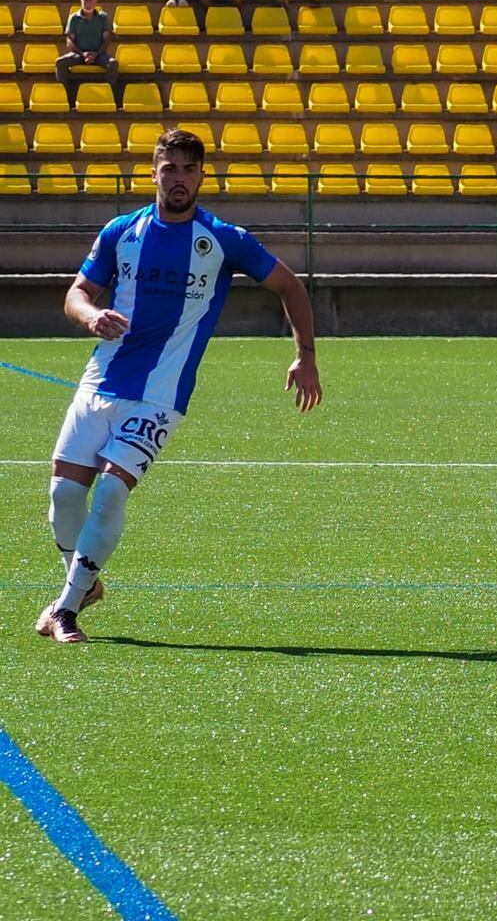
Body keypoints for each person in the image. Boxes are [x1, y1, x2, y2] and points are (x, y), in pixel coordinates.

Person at [35, 129, 322, 644]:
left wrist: (305, 355)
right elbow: (77, 293)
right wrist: (91, 315)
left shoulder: (222, 240)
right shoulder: (122, 232)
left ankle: (67, 610)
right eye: (170, 168)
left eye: (189, 170)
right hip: (101, 380)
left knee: (109, 496)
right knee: (62, 497)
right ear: (153, 173)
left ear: (202, 176)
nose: (179, 179)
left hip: (161, 395)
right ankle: (85, 582)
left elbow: (289, 285)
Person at [55, 0, 117, 107]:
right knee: (60, 62)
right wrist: (83, 54)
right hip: (79, 53)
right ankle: (65, 95)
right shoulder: (73, 18)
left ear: (96, 2)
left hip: (98, 54)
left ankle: (110, 94)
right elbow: (69, 41)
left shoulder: (103, 17)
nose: (87, 3)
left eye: (90, 0)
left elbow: (107, 39)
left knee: (113, 64)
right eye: (84, 0)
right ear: (80, 1)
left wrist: (96, 54)